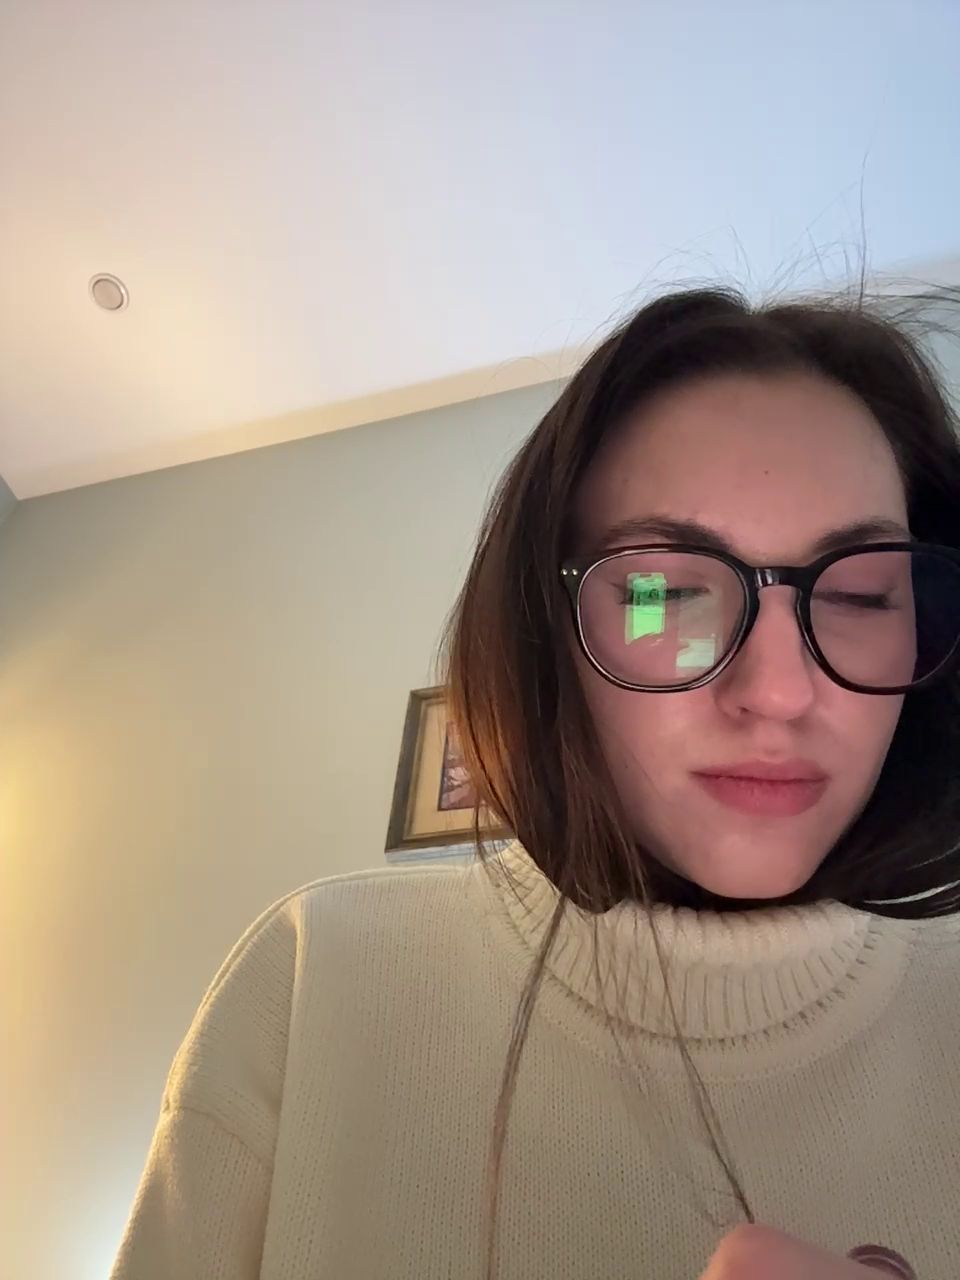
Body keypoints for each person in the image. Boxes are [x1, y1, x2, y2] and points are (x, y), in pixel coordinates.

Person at [110, 286, 960, 1280]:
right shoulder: (316, 980)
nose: (777, 690)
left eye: (862, 594)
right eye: (664, 593)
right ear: (544, 630)